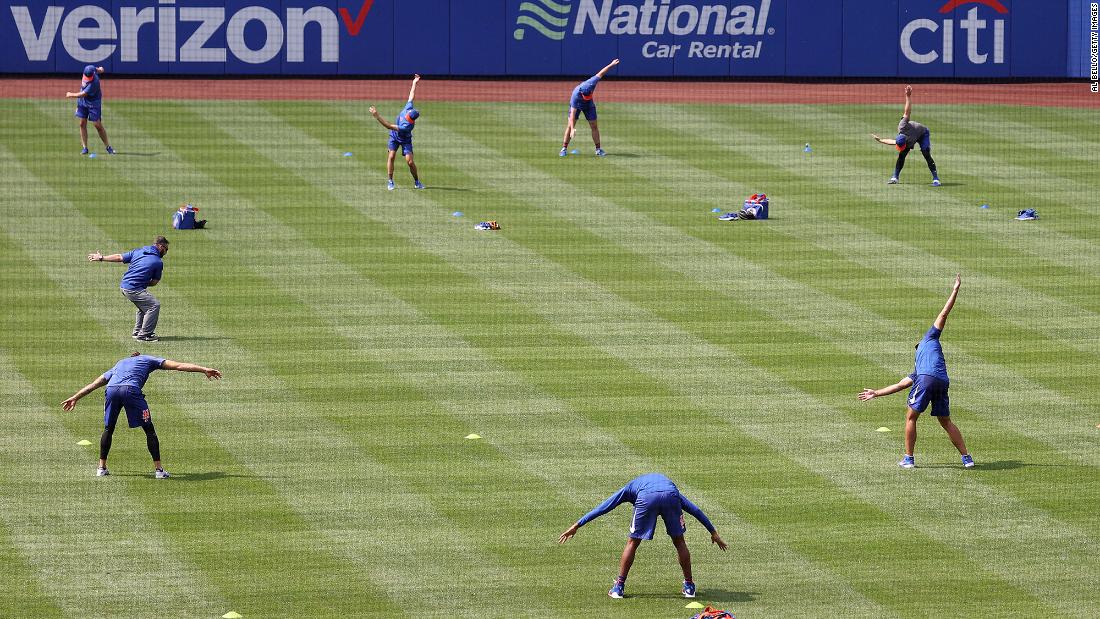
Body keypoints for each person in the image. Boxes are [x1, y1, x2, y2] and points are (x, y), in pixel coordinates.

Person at [859, 274, 974, 469]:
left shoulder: (929, 339)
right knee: (945, 421)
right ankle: (967, 458)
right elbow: (900, 384)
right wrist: (876, 393)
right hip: (942, 381)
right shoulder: (924, 360)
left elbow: (943, 314)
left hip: (927, 380)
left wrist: (955, 291)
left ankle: (909, 459)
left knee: (911, 417)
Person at [558, 473, 727, 599]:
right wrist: (713, 532)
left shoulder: (630, 488)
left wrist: (578, 524)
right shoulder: (669, 488)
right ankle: (689, 587)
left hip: (647, 498)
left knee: (633, 542)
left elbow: (605, 506)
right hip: (670, 495)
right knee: (679, 541)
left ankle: (619, 588)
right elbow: (695, 510)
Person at [61, 352, 222, 478]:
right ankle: (159, 470)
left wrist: (75, 397)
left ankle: (101, 468)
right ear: (139, 356)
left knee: (109, 428)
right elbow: (178, 365)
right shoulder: (148, 359)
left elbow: (94, 384)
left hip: (111, 390)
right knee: (149, 429)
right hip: (131, 390)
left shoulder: (119, 364)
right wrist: (204, 369)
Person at [88, 236, 169, 342]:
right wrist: (143, 282)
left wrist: (102, 257)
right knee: (154, 305)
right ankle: (144, 335)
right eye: (166, 249)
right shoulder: (158, 262)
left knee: (144, 307)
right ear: (160, 246)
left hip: (124, 285)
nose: (166, 252)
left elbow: (119, 257)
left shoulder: (138, 251)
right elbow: (154, 282)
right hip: (133, 289)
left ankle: (137, 332)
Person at [871, 85, 940, 186]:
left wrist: (908, 96)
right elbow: (891, 142)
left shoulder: (903, 125)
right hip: (912, 136)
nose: (901, 147)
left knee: (926, 154)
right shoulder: (901, 136)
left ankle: (936, 179)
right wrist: (880, 140)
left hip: (922, 134)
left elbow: (907, 112)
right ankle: (895, 177)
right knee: (902, 155)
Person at [369, 74, 424, 191]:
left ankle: (417, 182)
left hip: (405, 139)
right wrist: (414, 82)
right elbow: (411, 95)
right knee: (391, 156)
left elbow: (388, 126)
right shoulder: (408, 108)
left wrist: (376, 116)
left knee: (410, 162)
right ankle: (390, 181)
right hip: (394, 137)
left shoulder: (407, 126)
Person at [560, 59, 620, 157]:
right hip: (578, 106)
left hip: (589, 105)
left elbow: (601, 72)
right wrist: (572, 129)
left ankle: (598, 149)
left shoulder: (592, 82)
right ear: (582, 93)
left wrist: (611, 64)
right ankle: (564, 149)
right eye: (585, 96)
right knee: (570, 126)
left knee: (594, 126)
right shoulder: (576, 96)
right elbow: (572, 114)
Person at [65, 65, 115, 156]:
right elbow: (99, 69)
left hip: (93, 103)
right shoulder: (90, 69)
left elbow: (82, 94)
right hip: (82, 102)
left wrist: (70, 94)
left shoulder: (94, 83)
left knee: (97, 125)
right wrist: (101, 69)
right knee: (82, 123)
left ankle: (108, 147)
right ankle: (85, 148)